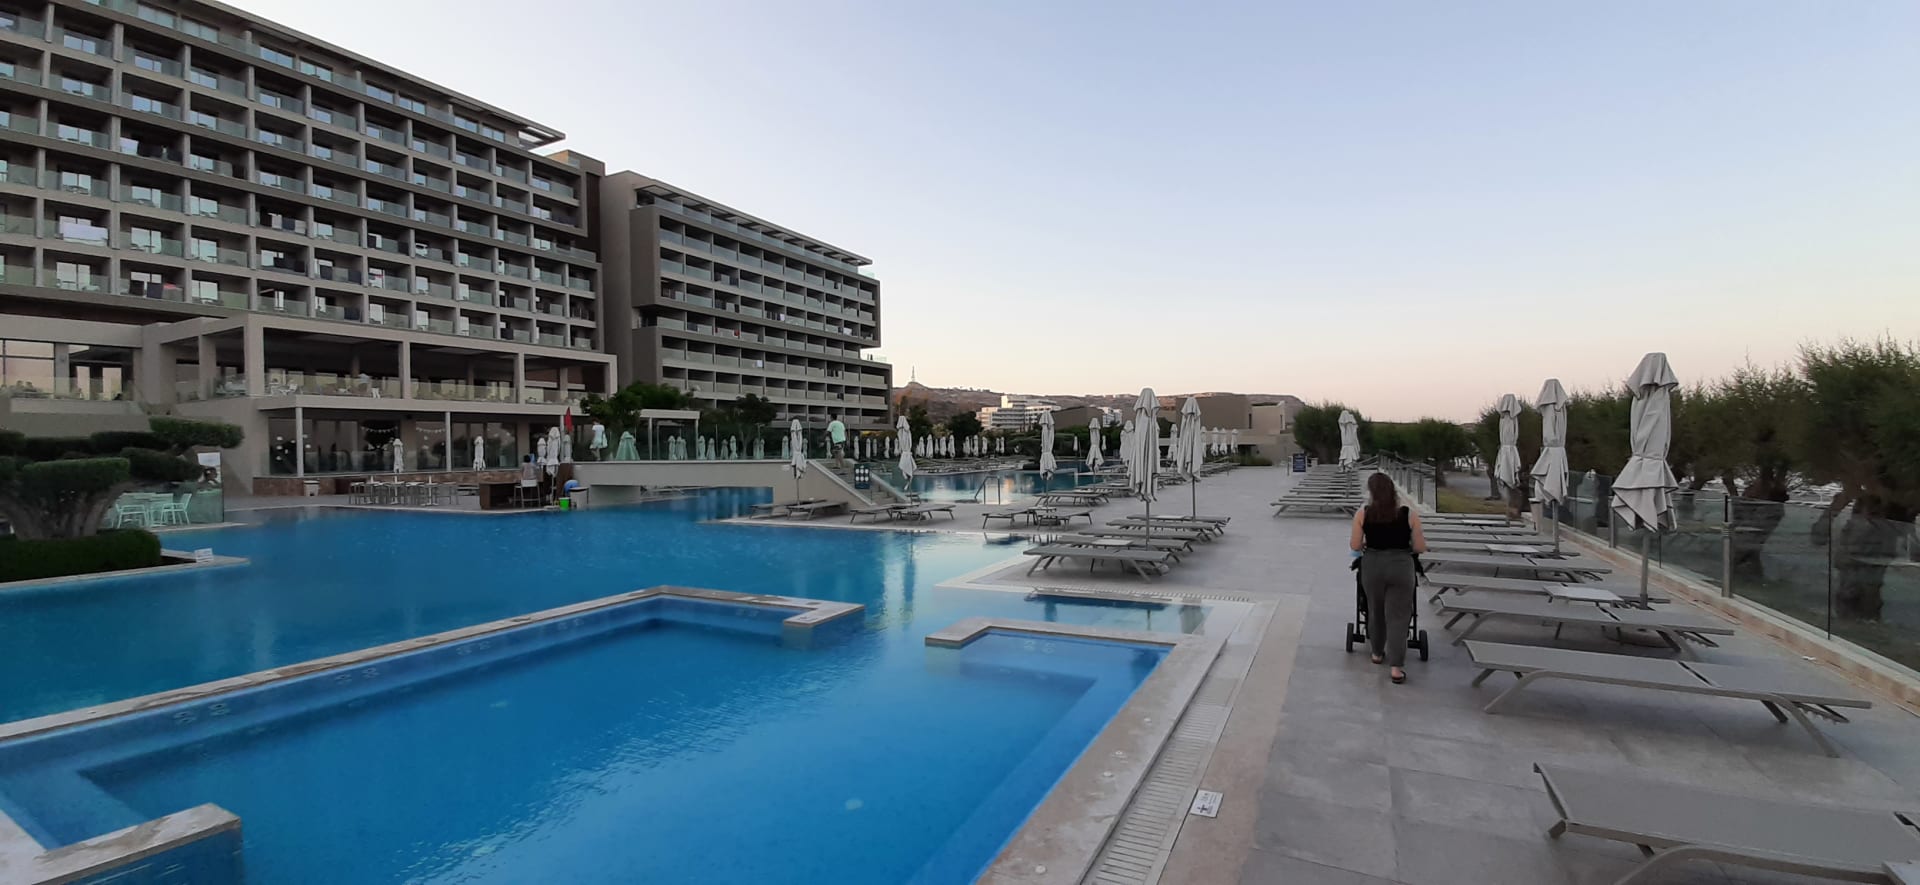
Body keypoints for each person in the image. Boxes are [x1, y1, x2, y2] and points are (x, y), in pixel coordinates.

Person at [1349, 472, 1427, 684]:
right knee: (1399, 616)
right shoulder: (1409, 514)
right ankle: (1396, 667)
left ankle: (1376, 652)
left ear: (1371, 492)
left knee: (1375, 610)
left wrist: (1367, 543)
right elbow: (1420, 547)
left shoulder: (1363, 514)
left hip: (1372, 565)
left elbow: (1355, 545)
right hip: (1401, 566)